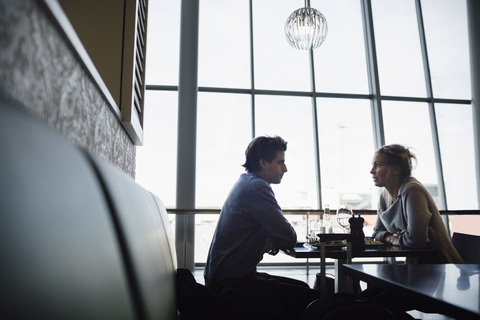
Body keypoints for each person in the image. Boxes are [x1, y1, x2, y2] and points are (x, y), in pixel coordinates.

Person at [204, 135, 321, 319]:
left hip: (227, 278)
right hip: (231, 285)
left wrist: (270, 238)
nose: (285, 168)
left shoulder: (246, 182)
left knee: (303, 289)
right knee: (312, 300)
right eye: (280, 162)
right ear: (263, 163)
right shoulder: (257, 187)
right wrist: (273, 238)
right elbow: (288, 237)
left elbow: (278, 234)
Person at [370, 144, 464, 264]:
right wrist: (393, 239)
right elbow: (377, 232)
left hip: (440, 266)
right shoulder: (384, 195)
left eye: (377, 165)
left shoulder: (412, 190)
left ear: (396, 169)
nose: (371, 171)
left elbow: (417, 240)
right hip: (416, 264)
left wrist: (392, 238)